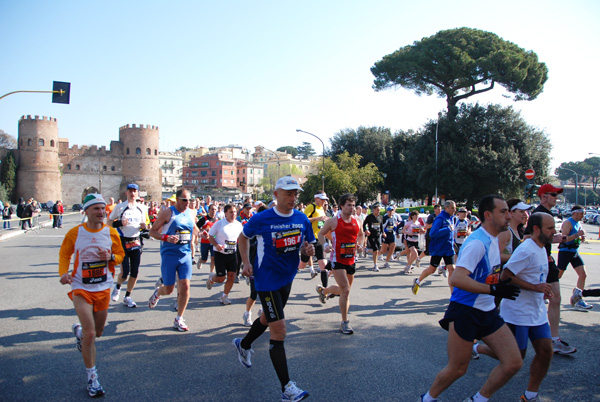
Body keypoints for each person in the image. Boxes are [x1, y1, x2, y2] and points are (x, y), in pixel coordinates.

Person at [419, 195, 522, 402]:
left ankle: (479, 399)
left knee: (513, 362)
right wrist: (493, 290)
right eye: (503, 211)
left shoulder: (493, 239)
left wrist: (518, 259)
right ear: (488, 215)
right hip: (466, 311)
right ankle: (428, 399)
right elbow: (457, 279)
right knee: (458, 368)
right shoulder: (477, 243)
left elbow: (494, 263)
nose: (509, 215)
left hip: (488, 311)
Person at [232, 176, 315, 402]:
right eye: (288, 193)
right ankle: (287, 388)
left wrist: (308, 251)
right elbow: (243, 237)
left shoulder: (302, 219)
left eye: (295, 193)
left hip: (287, 278)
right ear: (276, 194)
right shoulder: (262, 218)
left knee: (268, 319)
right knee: (279, 330)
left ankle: (244, 344)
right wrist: (246, 263)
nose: (293, 197)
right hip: (266, 280)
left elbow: (308, 245)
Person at [475, 212, 555, 402]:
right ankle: (478, 350)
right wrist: (534, 287)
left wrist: (542, 288)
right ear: (536, 230)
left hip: (537, 311)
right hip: (518, 312)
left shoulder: (542, 247)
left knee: (546, 352)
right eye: (550, 228)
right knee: (514, 357)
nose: (554, 232)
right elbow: (506, 276)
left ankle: (530, 395)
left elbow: (535, 274)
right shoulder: (526, 249)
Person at [58, 194, 125, 397]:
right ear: (86, 211)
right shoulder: (75, 233)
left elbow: (120, 255)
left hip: (103, 288)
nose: (101, 212)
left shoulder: (111, 233)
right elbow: (65, 254)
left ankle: (79, 332)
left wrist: (111, 257)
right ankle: (92, 379)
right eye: (96, 208)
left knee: (98, 332)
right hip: (81, 287)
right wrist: (63, 273)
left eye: (103, 208)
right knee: (90, 334)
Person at [527, 184, 576, 355]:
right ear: (543, 196)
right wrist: (549, 240)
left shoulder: (548, 213)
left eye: (556, 195)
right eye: (553, 194)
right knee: (535, 300)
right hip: (539, 262)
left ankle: (554, 339)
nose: (556, 197)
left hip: (548, 261)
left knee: (555, 298)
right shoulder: (538, 214)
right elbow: (527, 237)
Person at [148, 188, 199, 331]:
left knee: (185, 286)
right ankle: (158, 293)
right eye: (184, 200)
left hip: (185, 255)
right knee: (169, 289)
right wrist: (166, 237)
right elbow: (152, 231)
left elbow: (194, 229)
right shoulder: (168, 213)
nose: (187, 203)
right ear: (177, 200)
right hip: (169, 255)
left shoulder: (190, 212)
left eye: (189, 200)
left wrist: (203, 233)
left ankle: (179, 318)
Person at [316, 193, 364, 334]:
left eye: (353, 205)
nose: (351, 208)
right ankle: (345, 322)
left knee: (344, 290)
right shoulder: (333, 221)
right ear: (342, 206)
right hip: (337, 260)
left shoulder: (358, 221)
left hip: (351, 259)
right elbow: (320, 234)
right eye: (348, 205)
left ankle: (323, 291)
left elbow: (361, 235)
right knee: (346, 290)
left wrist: (360, 245)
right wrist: (325, 245)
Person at [109, 184, 150, 308]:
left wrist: (145, 227)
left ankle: (128, 296)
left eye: (135, 191)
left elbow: (146, 226)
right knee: (125, 272)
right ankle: (118, 287)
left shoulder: (142, 208)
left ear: (138, 193)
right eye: (130, 191)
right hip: (123, 240)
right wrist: (120, 222)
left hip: (136, 241)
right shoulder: (120, 207)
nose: (133, 194)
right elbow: (109, 222)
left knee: (135, 272)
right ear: (126, 193)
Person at [413, 200, 457, 295]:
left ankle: (453, 296)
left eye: (455, 207)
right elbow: (433, 233)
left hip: (448, 249)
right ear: (447, 208)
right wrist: (447, 229)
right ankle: (418, 281)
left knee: (452, 269)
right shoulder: (440, 219)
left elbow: (451, 233)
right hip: (438, 249)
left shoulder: (451, 218)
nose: (455, 210)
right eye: (452, 208)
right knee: (432, 270)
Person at [205, 204, 243, 305]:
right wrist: (216, 245)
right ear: (225, 213)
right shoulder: (219, 224)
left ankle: (224, 296)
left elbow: (242, 238)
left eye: (235, 212)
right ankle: (212, 278)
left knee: (231, 276)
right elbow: (210, 236)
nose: (233, 214)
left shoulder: (238, 225)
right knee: (221, 279)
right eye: (231, 212)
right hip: (220, 254)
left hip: (232, 254)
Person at [557, 205, 591, 310]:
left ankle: (578, 299)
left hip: (574, 252)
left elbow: (576, 237)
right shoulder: (568, 223)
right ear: (575, 213)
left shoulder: (578, 223)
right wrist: (577, 235)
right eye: (582, 213)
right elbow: (563, 239)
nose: (583, 215)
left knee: (583, 274)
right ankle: (543, 293)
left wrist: (581, 238)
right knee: (558, 275)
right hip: (565, 252)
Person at [298, 191, 330, 282]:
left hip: (319, 239)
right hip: (309, 239)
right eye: (322, 199)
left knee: (323, 265)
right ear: (316, 199)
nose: (324, 201)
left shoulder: (321, 209)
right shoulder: (311, 207)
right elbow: (303, 220)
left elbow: (321, 224)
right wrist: (317, 218)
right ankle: (293, 267)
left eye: (325, 200)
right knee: (302, 265)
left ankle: (324, 291)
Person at [196, 204, 218, 271]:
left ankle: (211, 275)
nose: (213, 211)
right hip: (205, 242)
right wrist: (202, 231)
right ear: (208, 210)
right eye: (212, 209)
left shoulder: (218, 220)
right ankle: (200, 260)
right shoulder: (204, 219)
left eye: (215, 209)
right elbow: (196, 228)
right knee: (204, 260)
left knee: (213, 258)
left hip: (213, 242)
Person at [363, 202, 383, 271]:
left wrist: (383, 233)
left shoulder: (380, 217)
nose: (378, 211)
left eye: (379, 210)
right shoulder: (369, 217)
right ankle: (375, 265)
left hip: (377, 235)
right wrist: (366, 230)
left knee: (377, 250)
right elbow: (364, 224)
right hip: (371, 235)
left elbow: (381, 226)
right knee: (376, 250)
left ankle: (367, 250)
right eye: (377, 210)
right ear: (373, 210)